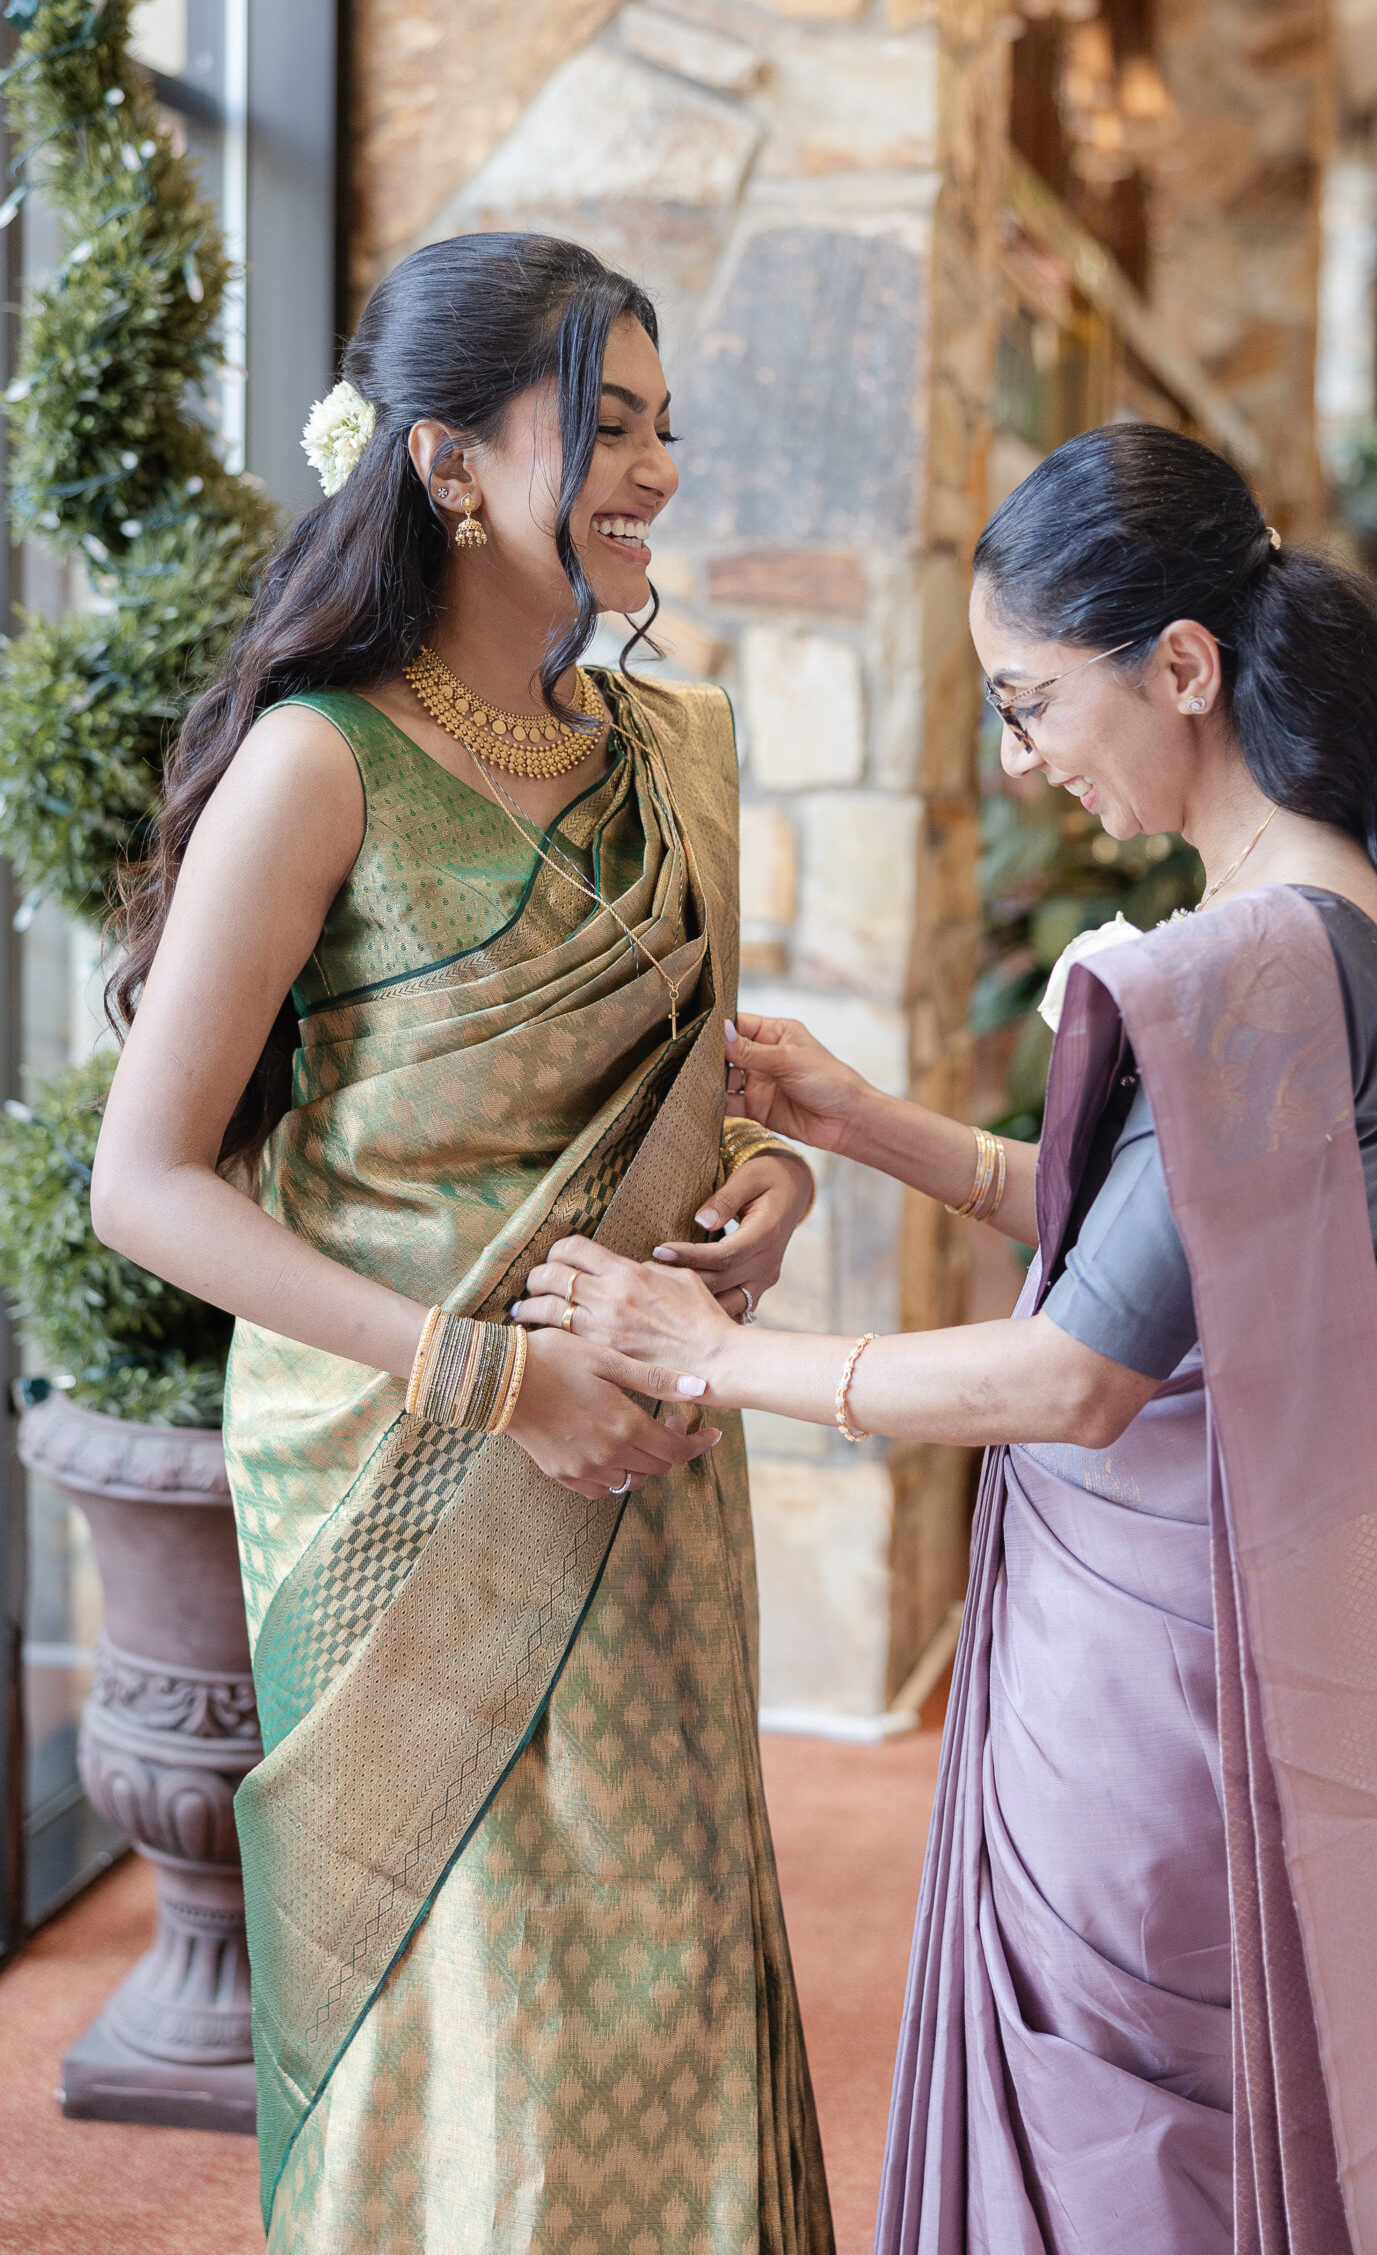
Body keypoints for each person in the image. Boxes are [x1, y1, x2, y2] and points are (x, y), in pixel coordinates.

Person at [532, 423, 1377, 2255]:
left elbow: (1078, 1376)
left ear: (1182, 666)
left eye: (1031, 705)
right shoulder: (1341, 917)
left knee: (1119, 2126)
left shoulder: (1264, 963)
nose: (1023, 764)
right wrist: (870, 1123)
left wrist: (710, 1353)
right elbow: (1181, 1259)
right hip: (1275, 1622)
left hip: (1172, 1668)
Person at [90, 233, 834, 2255]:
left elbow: (690, 1091)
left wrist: (772, 1195)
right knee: (474, 1987)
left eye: (663, 429)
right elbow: (143, 1184)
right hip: (412, 1469)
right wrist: (500, 1374)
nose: (651, 471)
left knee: (664, 1942)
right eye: (601, 425)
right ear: (443, 461)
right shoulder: (320, 761)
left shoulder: (669, 753)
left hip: (648, 1453)